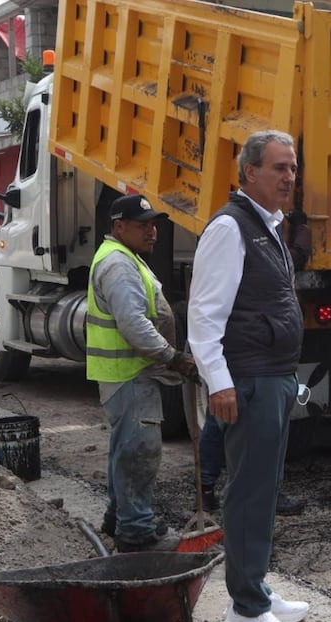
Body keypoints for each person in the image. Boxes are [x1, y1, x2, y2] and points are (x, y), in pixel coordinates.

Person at [188, 129, 310, 622]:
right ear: (250, 173)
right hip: (251, 379)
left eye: (292, 168)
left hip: (274, 375)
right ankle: (244, 611)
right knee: (249, 493)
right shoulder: (230, 229)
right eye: (279, 168)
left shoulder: (268, 226)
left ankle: (255, 586)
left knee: (265, 489)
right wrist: (219, 382)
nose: (289, 178)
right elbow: (203, 316)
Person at [87, 193, 197, 553]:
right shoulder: (119, 264)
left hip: (125, 373)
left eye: (153, 225)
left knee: (125, 448)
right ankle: (135, 530)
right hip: (130, 374)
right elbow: (134, 324)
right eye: (142, 226)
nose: (152, 232)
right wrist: (173, 357)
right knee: (139, 451)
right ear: (119, 227)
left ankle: (119, 515)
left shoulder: (125, 257)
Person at [197, 210, 311, 516]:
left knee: (250, 430)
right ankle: (207, 488)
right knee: (221, 422)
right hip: (237, 354)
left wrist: (301, 232)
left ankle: (260, 494)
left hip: (259, 356)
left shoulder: (266, 234)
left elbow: (292, 259)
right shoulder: (231, 232)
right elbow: (206, 312)